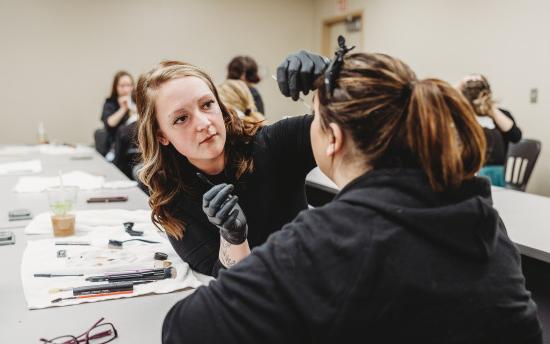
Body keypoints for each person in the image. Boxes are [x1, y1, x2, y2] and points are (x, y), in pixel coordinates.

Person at [162, 39, 541, 343]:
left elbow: (183, 329)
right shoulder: (478, 211)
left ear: (334, 138)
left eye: (315, 115)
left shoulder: (328, 241)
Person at [135, 59, 320, 277]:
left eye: (207, 104)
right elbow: (227, 279)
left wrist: (333, 80)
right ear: (162, 136)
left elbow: (349, 127)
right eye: (181, 118)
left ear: (220, 105)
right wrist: (233, 237)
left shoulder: (273, 144)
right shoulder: (174, 201)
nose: (204, 123)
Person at [458, 74, 522, 186]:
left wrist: (490, 108)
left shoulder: (499, 115)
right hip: (465, 173)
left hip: (494, 175)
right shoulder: (459, 116)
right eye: (469, 85)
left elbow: (515, 136)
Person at [100, 71, 136, 161]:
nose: (126, 89)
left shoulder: (136, 102)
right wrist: (123, 109)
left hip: (133, 144)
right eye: (122, 86)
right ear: (116, 87)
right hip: (115, 145)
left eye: (129, 85)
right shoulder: (110, 103)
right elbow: (109, 123)